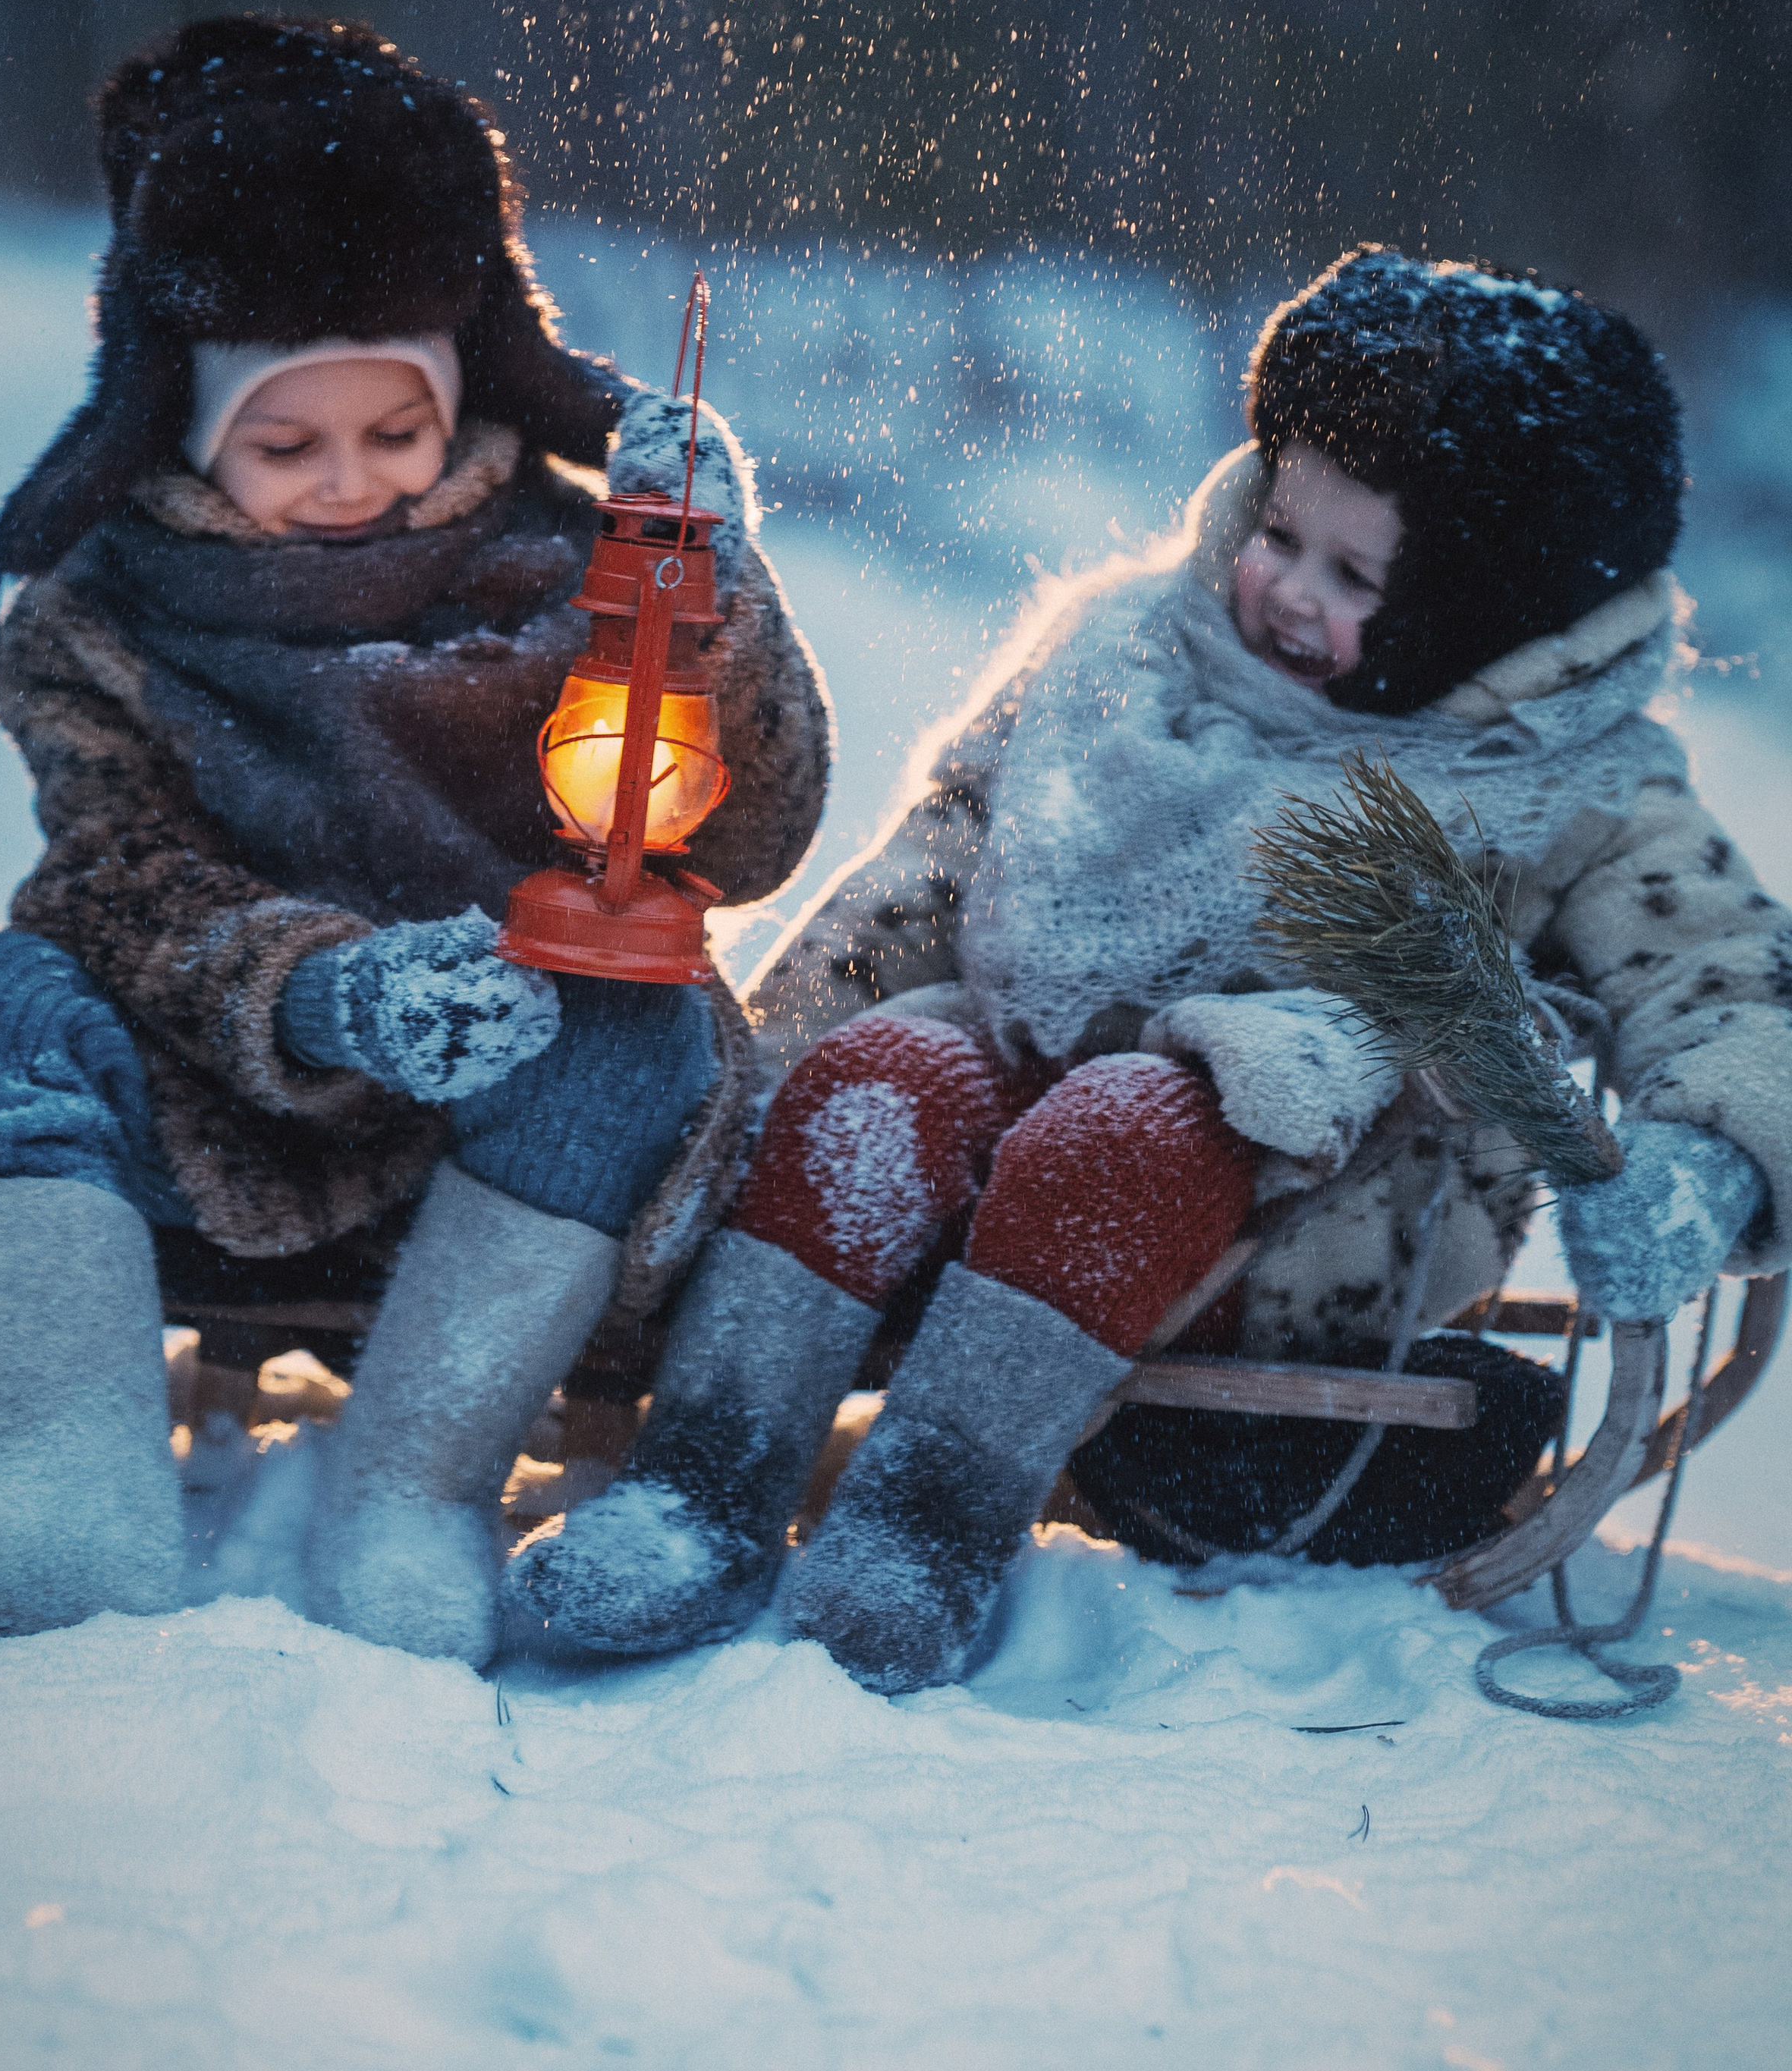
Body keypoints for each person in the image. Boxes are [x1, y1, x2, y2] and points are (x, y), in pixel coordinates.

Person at [511, 247, 1792, 1692]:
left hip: (1307, 1210)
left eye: (1354, 577)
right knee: (883, 1073)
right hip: (1015, 1091)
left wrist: (1707, 1165)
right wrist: (759, 1089)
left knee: (1124, 1124)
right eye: (1280, 532)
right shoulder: (1126, 657)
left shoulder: (1569, 782)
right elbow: (930, 876)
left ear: (1478, 615)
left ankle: (923, 1530)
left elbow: (1735, 981)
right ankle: (703, 1486)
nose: (1284, 590)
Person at [0, 11, 830, 1660]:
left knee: (644, 1032)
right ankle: (54, 1479)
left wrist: (706, 599)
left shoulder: (568, 565)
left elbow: (749, 843)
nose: (349, 483)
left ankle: (412, 1491)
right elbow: (119, 880)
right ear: (181, 421)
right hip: (227, 1092)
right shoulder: (106, 613)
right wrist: (324, 991)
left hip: (511, 1141)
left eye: (397, 432)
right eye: (284, 444)